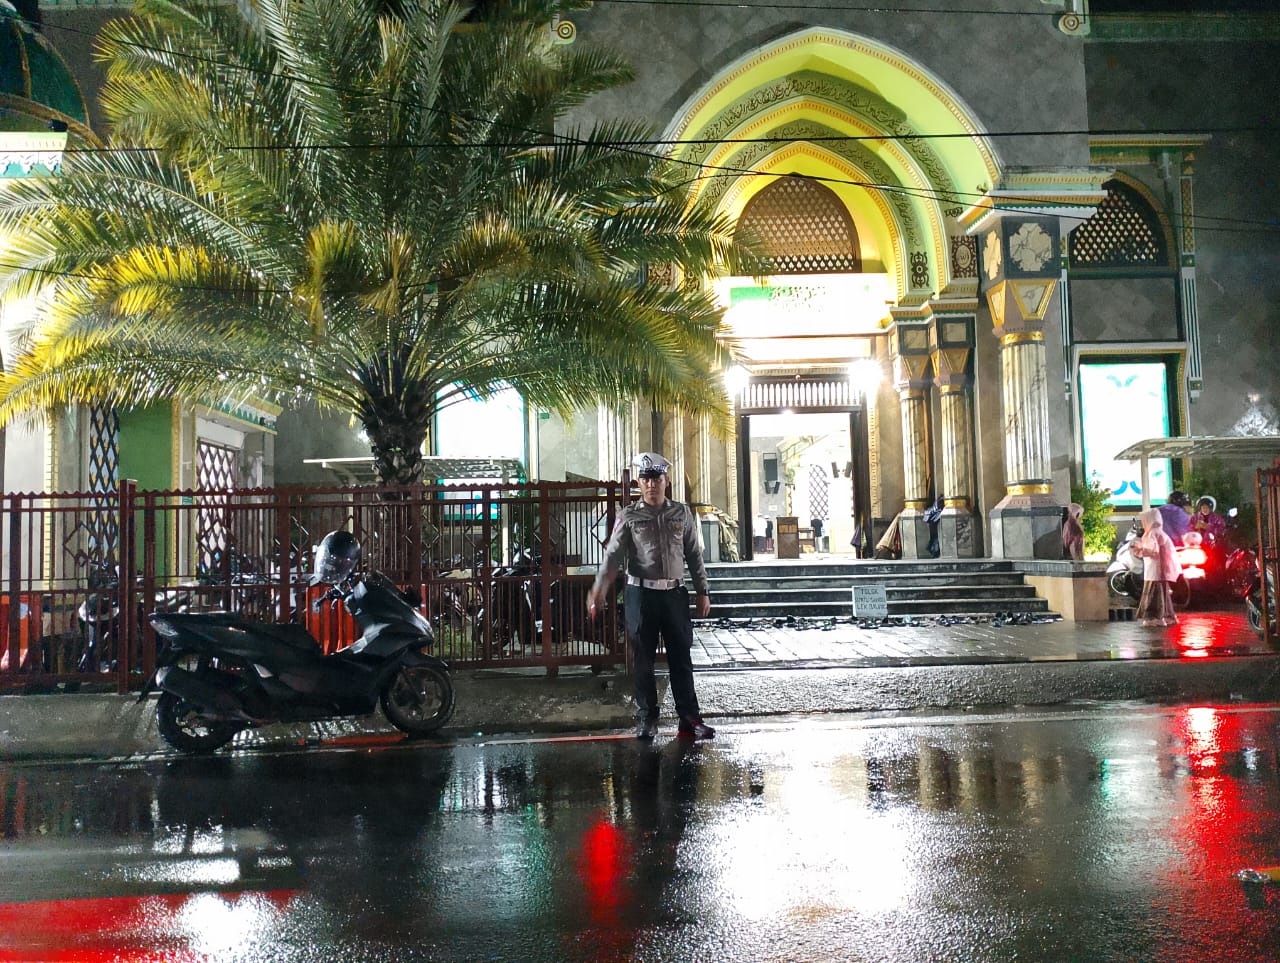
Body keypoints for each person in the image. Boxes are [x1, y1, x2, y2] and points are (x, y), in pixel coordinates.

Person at [587, 452, 714, 741]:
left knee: (681, 658)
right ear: (639, 483)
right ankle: (647, 718)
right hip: (641, 595)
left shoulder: (681, 513)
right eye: (645, 479)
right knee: (643, 660)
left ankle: (689, 719)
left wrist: (702, 591)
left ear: (666, 481)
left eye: (656, 478)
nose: (651, 484)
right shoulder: (628, 516)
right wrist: (598, 589)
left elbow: (694, 555)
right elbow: (612, 557)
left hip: (674, 595)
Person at [1130, 507, 1179, 627]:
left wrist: (1138, 548)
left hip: (1154, 569)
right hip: (1160, 569)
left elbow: (1152, 551)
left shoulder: (1152, 533)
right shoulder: (1159, 532)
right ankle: (1167, 616)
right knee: (1163, 593)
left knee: (1153, 594)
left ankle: (1155, 618)